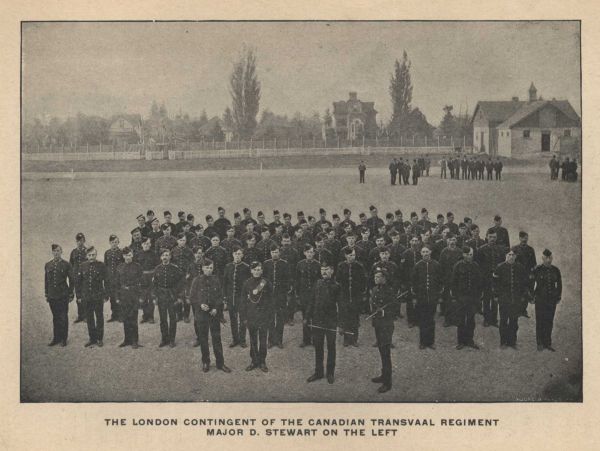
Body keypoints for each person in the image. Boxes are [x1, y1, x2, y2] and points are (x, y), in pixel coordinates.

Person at [189, 259, 231, 373]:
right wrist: (201, 304)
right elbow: (192, 297)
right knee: (203, 339)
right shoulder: (196, 280)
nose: (209, 270)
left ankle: (220, 363)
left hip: (214, 314)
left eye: (211, 268)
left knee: (216, 338)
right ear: (202, 268)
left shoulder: (216, 280)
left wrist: (216, 308)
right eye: (207, 268)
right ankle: (206, 362)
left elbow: (220, 297)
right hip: (201, 314)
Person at [305, 262, 340, 384]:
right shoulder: (317, 284)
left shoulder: (336, 286)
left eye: (327, 269)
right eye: (322, 269)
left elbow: (341, 306)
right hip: (317, 320)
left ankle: (330, 373)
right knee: (318, 347)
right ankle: (318, 372)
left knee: (331, 347)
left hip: (330, 322)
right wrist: (307, 317)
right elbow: (311, 301)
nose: (324, 272)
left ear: (332, 271)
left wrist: (339, 323)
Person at [369, 268, 398, 393]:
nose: (376, 279)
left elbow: (395, 310)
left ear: (384, 278)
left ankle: (387, 382)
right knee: (381, 350)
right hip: (378, 324)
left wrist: (384, 311)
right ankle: (383, 375)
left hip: (386, 325)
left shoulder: (390, 292)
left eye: (379, 277)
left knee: (386, 353)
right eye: (375, 277)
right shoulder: (375, 290)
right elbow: (373, 305)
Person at [241, 261, 273, 372]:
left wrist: (269, 315)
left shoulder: (266, 283)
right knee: (253, 339)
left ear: (262, 271)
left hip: (264, 315)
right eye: (254, 269)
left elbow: (271, 300)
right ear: (251, 271)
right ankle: (254, 361)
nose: (256, 272)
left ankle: (262, 361)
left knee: (263, 340)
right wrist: (244, 317)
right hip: (252, 315)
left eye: (259, 269)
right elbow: (243, 302)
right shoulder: (247, 283)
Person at [411, 246, 443, 349]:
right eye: (423, 252)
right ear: (421, 253)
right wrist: (415, 296)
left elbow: (440, 281)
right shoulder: (417, 265)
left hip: (432, 297)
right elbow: (414, 282)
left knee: (431, 319)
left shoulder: (437, 265)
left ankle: (431, 342)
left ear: (431, 252)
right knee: (423, 320)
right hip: (422, 297)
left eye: (427, 251)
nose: (425, 253)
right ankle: (423, 342)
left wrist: (438, 295)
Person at [75, 246, 108, 348]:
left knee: (99, 317)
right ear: (86, 255)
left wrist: (106, 295)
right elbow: (78, 282)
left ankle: (99, 338)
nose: (91, 257)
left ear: (96, 255)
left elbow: (106, 281)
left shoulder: (101, 265)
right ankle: (92, 338)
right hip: (86, 297)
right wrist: (79, 296)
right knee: (89, 318)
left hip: (98, 296)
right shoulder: (82, 266)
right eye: (89, 255)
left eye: (93, 255)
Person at [451, 247, 483, 349]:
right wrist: (456, 297)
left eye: (471, 254)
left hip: (472, 297)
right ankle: (461, 341)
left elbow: (479, 282)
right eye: (469, 254)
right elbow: (453, 282)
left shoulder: (475, 265)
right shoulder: (458, 266)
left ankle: (470, 340)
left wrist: (478, 296)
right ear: (464, 255)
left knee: (470, 320)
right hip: (461, 297)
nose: (471, 256)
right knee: (461, 320)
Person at [152, 248, 185, 348]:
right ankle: (164, 339)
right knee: (163, 319)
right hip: (161, 296)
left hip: (172, 296)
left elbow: (181, 283)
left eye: (167, 255)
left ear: (170, 257)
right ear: (160, 257)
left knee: (172, 318)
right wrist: (154, 297)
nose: (165, 257)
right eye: (163, 255)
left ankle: (172, 340)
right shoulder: (157, 269)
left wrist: (179, 296)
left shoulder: (175, 269)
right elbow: (154, 284)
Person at [531, 248, 563, 352]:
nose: (548, 260)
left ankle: (547, 343)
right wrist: (532, 296)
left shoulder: (555, 270)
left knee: (549, 321)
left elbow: (559, 285)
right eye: (546, 258)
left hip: (552, 300)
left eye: (550, 258)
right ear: (542, 258)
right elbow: (530, 284)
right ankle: (539, 343)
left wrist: (558, 296)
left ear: (552, 258)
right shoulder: (537, 269)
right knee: (540, 321)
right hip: (540, 299)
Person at [336, 247, 367, 347]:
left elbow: (363, 281)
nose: (352, 257)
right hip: (344, 296)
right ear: (345, 256)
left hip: (355, 296)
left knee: (355, 318)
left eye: (353, 255)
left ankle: (354, 339)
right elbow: (338, 280)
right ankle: (346, 339)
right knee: (345, 317)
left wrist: (361, 294)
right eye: (350, 255)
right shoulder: (341, 266)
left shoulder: (359, 266)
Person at [263, 244, 292, 348]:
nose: (274, 254)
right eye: (272, 252)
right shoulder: (266, 264)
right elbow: (263, 279)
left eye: (276, 252)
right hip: (269, 296)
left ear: (279, 252)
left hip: (281, 296)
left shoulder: (284, 264)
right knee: (270, 318)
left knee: (280, 318)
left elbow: (288, 279)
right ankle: (270, 340)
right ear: (270, 253)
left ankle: (279, 340)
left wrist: (285, 291)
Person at [45, 244, 74, 346]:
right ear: (52, 252)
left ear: (61, 252)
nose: (56, 253)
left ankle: (64, 339)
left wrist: (71, 294)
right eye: (54, 251)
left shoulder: (66, 264)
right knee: (55, 317)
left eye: (58, 251)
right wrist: (47, 294)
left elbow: (71, 280)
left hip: (63, 295)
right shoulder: (48, 265)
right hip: (52, 295)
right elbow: (46, 281)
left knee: (63, 317)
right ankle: (56, 338)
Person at [223, 246, 251, 348]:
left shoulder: (246, 267)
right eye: (235, 254)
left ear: (242, 255)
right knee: (233, 320)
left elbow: (249, 283)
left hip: (242, 298)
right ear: (232, 255)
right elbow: (225, 283)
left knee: (243, 319)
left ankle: (242, 339)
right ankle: (235, 339)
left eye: (239, 254)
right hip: (231, 298)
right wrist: (225, 298)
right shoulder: (228, 266)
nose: (237, 256)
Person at [115, 247, 143, 349]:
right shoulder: (119, 267)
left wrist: (140, 297)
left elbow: (142, 282)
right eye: (126, 255)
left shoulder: (137, 266)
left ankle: (135, 340)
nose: (128, 257)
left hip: (134, 294)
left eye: (130, 255)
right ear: (123, 256)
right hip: (123, 295)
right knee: (125, 318)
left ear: (132, 255)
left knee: (133, 318)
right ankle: (127, 340)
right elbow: (117, 283)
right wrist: (117, 297)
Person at [476, 230, 505, 326]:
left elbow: (502, 265)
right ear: (486, 237)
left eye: (494, 237)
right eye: (490, 237)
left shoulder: (500, 250)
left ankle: (494, 319)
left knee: (495, 299)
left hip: (497, 279)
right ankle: (486, 319)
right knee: (486, 299)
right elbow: (478, 266)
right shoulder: (481, 250)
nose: (492, 239)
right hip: (486, 278)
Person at [295, 244, 322, 347]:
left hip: (315, 295)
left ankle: (315, 340)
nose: (310, 254)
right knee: (305, 317)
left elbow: (320, 280)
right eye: (308, 252)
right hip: (304, 295)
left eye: (311, 252)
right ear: (304, 253)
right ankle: (306, 340)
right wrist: (297, 295)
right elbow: (297, 280)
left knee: (315, 317)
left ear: (314, 253)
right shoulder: (300, 264)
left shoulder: (318, 265)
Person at [439, 236, 463, 327]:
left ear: (456, 241)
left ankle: (456, 319)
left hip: (458, 280)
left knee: (457, 300)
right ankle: (447, 320)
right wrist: (442, 280)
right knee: (447, 300)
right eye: (450, 239)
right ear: (447, 241)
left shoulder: (460, 251)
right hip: (447, 279)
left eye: (453, 239)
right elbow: (441, 267)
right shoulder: (444, 252)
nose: (452, 242)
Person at [512, 231, 537, 318]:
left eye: (526, 238)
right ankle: (517, 310)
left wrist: (532, 274)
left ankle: (523, 310)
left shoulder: (530, 249)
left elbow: (534, 263)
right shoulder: (514, 249)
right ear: (519, 238)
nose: (524, 239)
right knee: (518, 292)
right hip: (518, 274)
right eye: (523, 238)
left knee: (526, 292)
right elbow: (511, 262)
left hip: (527, 274)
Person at [134, 237, 158, 324]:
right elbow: (136, 267)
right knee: (143, 297)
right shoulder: (138, 254)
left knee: (151, 297)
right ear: (141, 245)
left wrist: (155, 276)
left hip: (151, 277)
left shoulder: (154, 254)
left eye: (148, 243)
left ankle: (151, 316)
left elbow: (157, 266)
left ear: (150, 244)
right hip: (142, 277)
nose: (147, 245)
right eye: (145, 244)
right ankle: (145, 316)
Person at [104, 235, 124, 323]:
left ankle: (121, 315)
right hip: (110, 278)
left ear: (118, 242)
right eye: (112, 242)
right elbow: (105, 266)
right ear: (109, 243)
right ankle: (114, 315)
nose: (114, 244)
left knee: (119, 296)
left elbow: (123, 266)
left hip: (119, 278)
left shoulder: (121, 252)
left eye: (116, 242)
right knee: (112, 297)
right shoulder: (107, 253)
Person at [69, 232, 88, 323]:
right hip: (76, 277)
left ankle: (86, 315)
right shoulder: (73, 252)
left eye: (81, 240)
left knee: (85, 295)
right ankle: (80, 315)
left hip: (85, 277)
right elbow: (71, 265)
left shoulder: (87, 251)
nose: (80, 242)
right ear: (76, 242)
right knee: (78, 296)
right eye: (78, 241)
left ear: (84, 241)